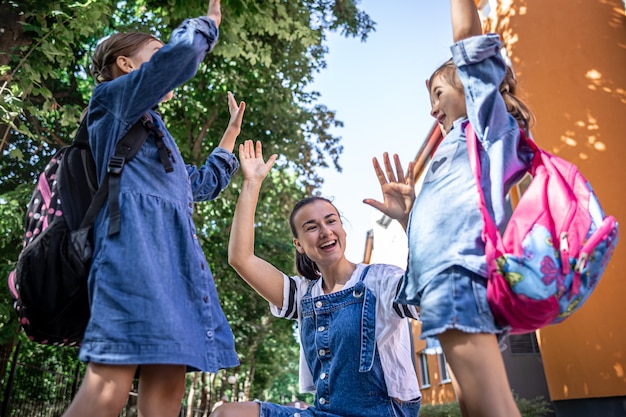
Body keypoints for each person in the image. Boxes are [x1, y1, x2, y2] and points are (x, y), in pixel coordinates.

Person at [62, 1, 243, 416]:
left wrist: (228, 142)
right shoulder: (112, 103)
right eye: (155, 53)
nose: (164, 61)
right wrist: (207, 27)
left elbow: (199, 185)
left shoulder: (153, 129)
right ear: (126, 65)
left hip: (177, 263)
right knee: (107, 389)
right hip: (133, 251)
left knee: (166, 395)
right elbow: (173, 63)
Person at [364, 1, 535, 416]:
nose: (431, 107)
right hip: (445, 280)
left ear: (469, 87)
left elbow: (468, 41)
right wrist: (410, 216)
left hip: (459, 275)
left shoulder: (484, 123)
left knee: (489, 406)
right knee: (477, 406)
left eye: (438, 93)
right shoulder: (461, 143)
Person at [213, 140, 422, 417]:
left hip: (382, 413)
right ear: (299, 244)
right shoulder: (303, 295)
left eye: (331, 220)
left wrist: (410, 219)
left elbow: (427, 294)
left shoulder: (381, 280)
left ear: (343, 229)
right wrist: (251, 183)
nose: (325, 231)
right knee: (226, 413)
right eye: (311, 227)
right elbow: (241, 258)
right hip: (326, 413)